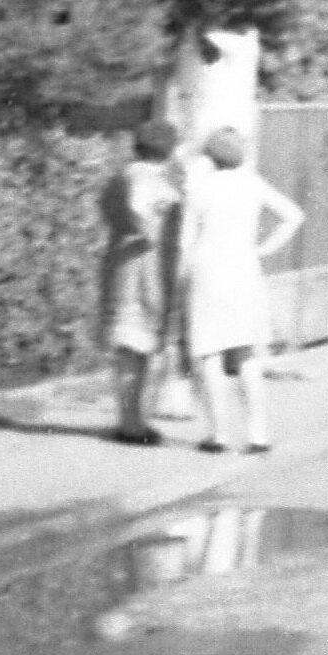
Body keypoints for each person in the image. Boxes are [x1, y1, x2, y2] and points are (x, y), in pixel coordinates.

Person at [176, 127, 305, 454]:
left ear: (210, 157)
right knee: (246, 353)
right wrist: (265, 248)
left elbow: (185, 241)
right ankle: (258, 433)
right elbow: (293, 216)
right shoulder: (252, 184)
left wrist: (181, 280)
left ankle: (218, 433)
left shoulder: (200, 189)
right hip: (245, 271)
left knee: (210, 353)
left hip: (208, 272)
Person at [96, 119, 182, 446]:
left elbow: (112, 211)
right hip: (145, 265)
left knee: (129, 346)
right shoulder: (152, 179)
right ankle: (132, 424)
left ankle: (131, 418)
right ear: (168, 149)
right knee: (137, 343)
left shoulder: (120, 177)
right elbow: (140, 211)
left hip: (120, 262)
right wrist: (148, 231)